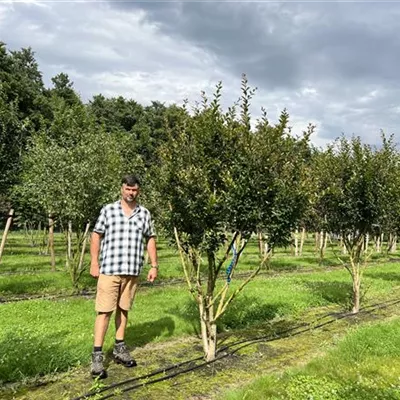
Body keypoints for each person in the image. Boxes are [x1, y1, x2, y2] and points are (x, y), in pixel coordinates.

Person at [90, 174, 158, 379]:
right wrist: (94, 262)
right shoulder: (108, 210)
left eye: (135, 190)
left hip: (132, 270)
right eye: (128, 189)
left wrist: (154, 265)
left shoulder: (144, 213)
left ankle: (120, 348)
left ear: (139, 191)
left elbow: (150, 238)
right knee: (104, 311)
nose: (131, 193)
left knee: (124, 308)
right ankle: (97, 356)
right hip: (110, 269)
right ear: (122, 189)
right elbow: (96, 235)